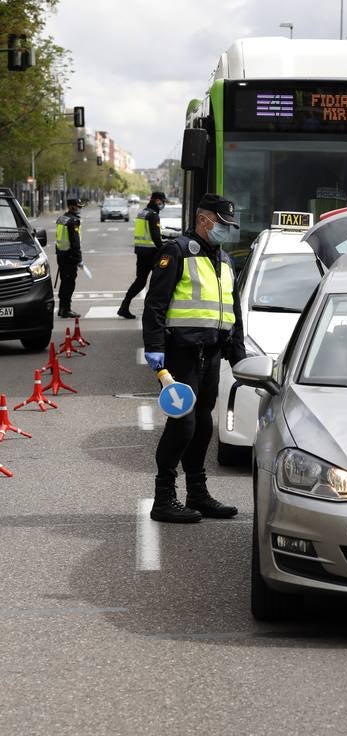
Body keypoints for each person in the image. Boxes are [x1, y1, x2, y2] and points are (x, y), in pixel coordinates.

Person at [142, 193, 246, 523]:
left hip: (211, 354)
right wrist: (155, 350)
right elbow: (155, 306)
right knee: (183, 424)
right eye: (223, 224)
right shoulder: (177, 252)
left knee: (202, 425)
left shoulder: (225, 260)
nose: (227, 231)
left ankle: (197, 494)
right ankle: (163, 498)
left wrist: (238, 355)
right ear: (204, 220)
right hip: (181, 353)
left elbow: (234, 311)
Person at [117, 190, 166, 319]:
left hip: (141, 252)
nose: (163, 204)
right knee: (158, 282)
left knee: (140, 281)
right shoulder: (153, 215)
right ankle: (151, 311)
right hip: (152, 254)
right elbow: (155, 236)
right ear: (157, 201)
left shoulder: (142, 213)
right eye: (162, 201)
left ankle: (124, 306)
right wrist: (163, 249)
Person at [55, 197, 84, 318]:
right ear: (72, 206)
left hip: (61, 255)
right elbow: (75, 242)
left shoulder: (61, 218)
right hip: (70, 256)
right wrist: (79, 259)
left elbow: (59, 238)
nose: (79, 209)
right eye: (78, 206)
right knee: (69, 284)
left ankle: (62, 308)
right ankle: (66, 309)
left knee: (64, 282)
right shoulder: (73, 221)